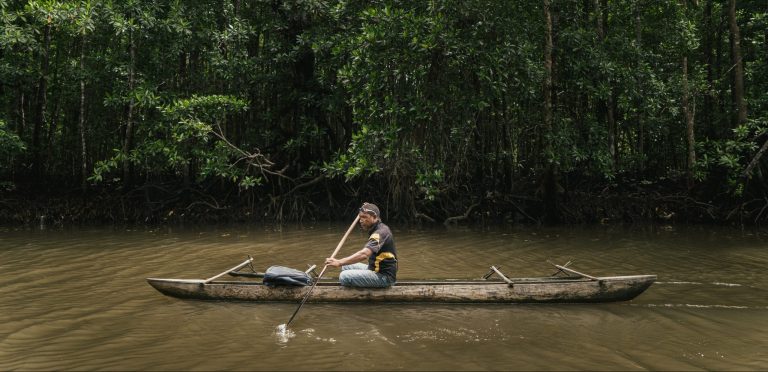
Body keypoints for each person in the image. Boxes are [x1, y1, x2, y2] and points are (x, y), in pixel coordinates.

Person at [325, 202, 397, 288]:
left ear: (374, 217)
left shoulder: (380, 233)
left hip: (384, 277)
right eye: (360, 217)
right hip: (373, 269)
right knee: (345, 266)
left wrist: (339, 262)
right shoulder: (378, 227)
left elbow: (364, 254)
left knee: (344, 276)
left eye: (365, 217)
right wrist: (367, 207)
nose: (361, 220)